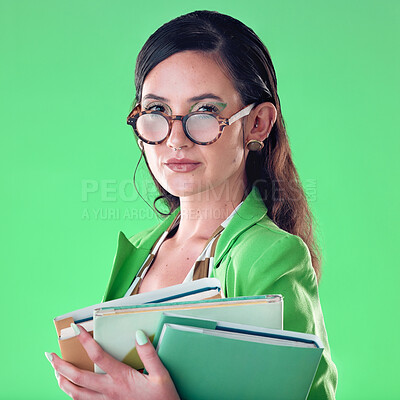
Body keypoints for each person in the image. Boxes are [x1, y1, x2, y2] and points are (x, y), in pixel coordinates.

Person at [46, 10, 338, 399]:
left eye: (204, 112)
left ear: (258, 124)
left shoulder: (271, 257)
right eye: (156, 111)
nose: (176, 140)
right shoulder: (141, 248)